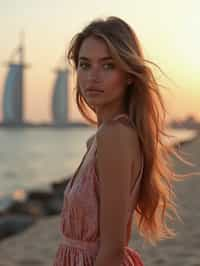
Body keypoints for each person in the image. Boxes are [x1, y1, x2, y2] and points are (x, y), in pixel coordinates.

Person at [53, 16, 191, 266]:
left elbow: (112, 249)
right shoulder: (101, 138)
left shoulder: (114, 136)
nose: (92, 77)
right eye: (85, 65)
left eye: (108, 66)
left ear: (128, 75)